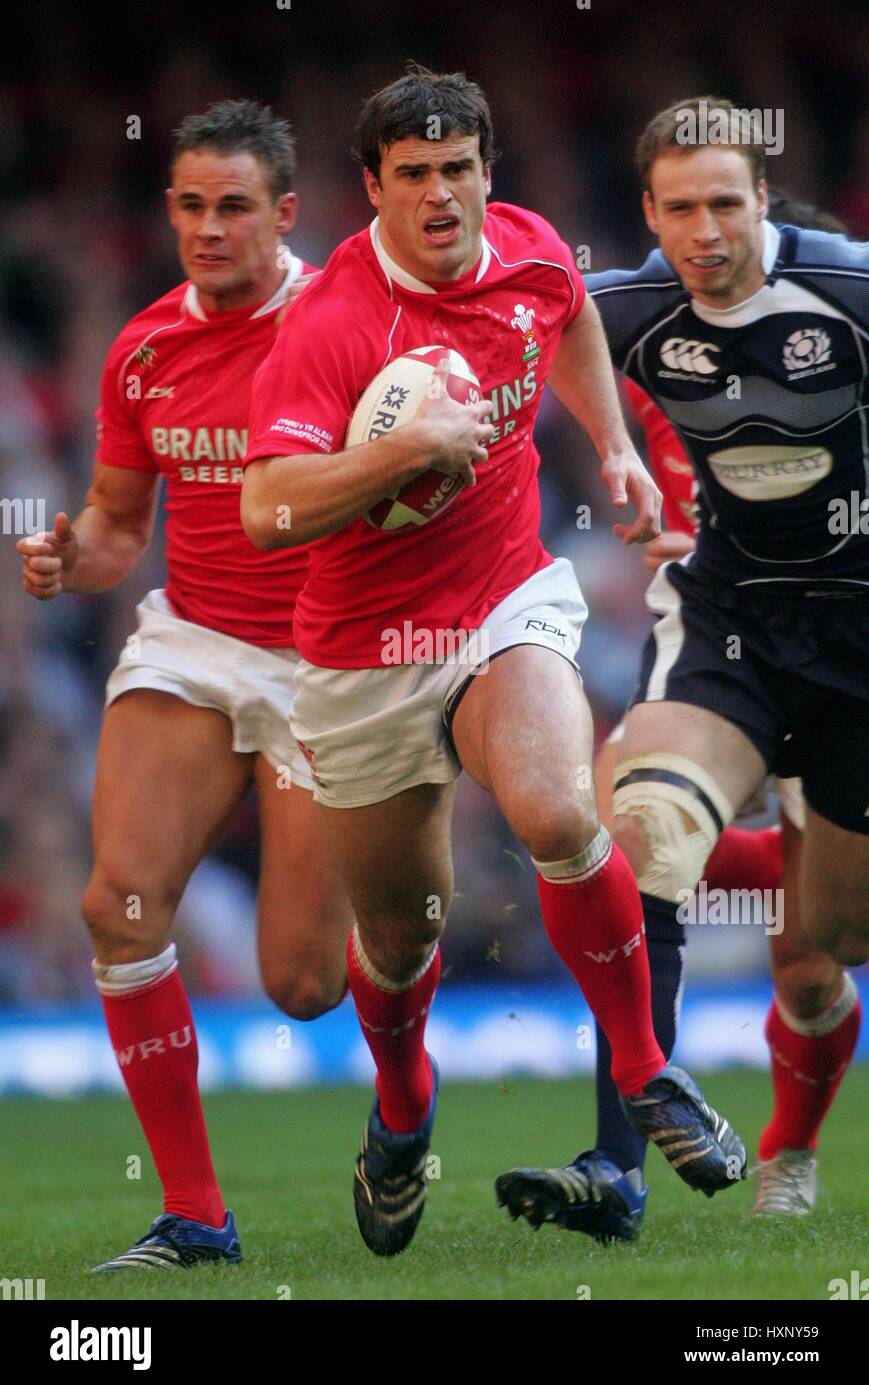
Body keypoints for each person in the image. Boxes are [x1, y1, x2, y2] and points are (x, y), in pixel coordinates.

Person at [241, 66, 746, 1259]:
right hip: (362, 655)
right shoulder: (330, 322)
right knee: (406, 936)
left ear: (485, 173)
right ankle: (404, 1106)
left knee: (561, 813)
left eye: (457, 170)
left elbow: (565, 311)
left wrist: (613, 447)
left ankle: (643, 1074)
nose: (438, 196)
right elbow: (266, 507)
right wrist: (403, 449)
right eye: (410, 175)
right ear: (369, 185)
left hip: (502, 602)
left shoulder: (525, 252)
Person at [499, 98, 866, 1239]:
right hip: (726, 623)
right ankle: (617, 1172)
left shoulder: (850, 294)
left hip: (859, 642)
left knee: (822, 953)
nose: (700, 230)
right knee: (642, 831)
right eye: (675, 210)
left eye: (722, 203)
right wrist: (613, 455)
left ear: (763, 200)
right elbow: (512, 326)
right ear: (647, 214)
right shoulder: (621, 307)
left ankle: (788, 1145)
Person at [17, 100, 353, 1273]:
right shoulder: (144, 346)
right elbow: (117, 526)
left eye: (234, 208)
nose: (209, 229)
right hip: (197, 643)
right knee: (116, 904)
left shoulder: (347, 325)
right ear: (169, 209)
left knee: (306, 984)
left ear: (285, 214)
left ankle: (402, 1092)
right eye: (190, 206)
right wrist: (72, 558)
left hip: (329, 659)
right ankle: (196, 1214)